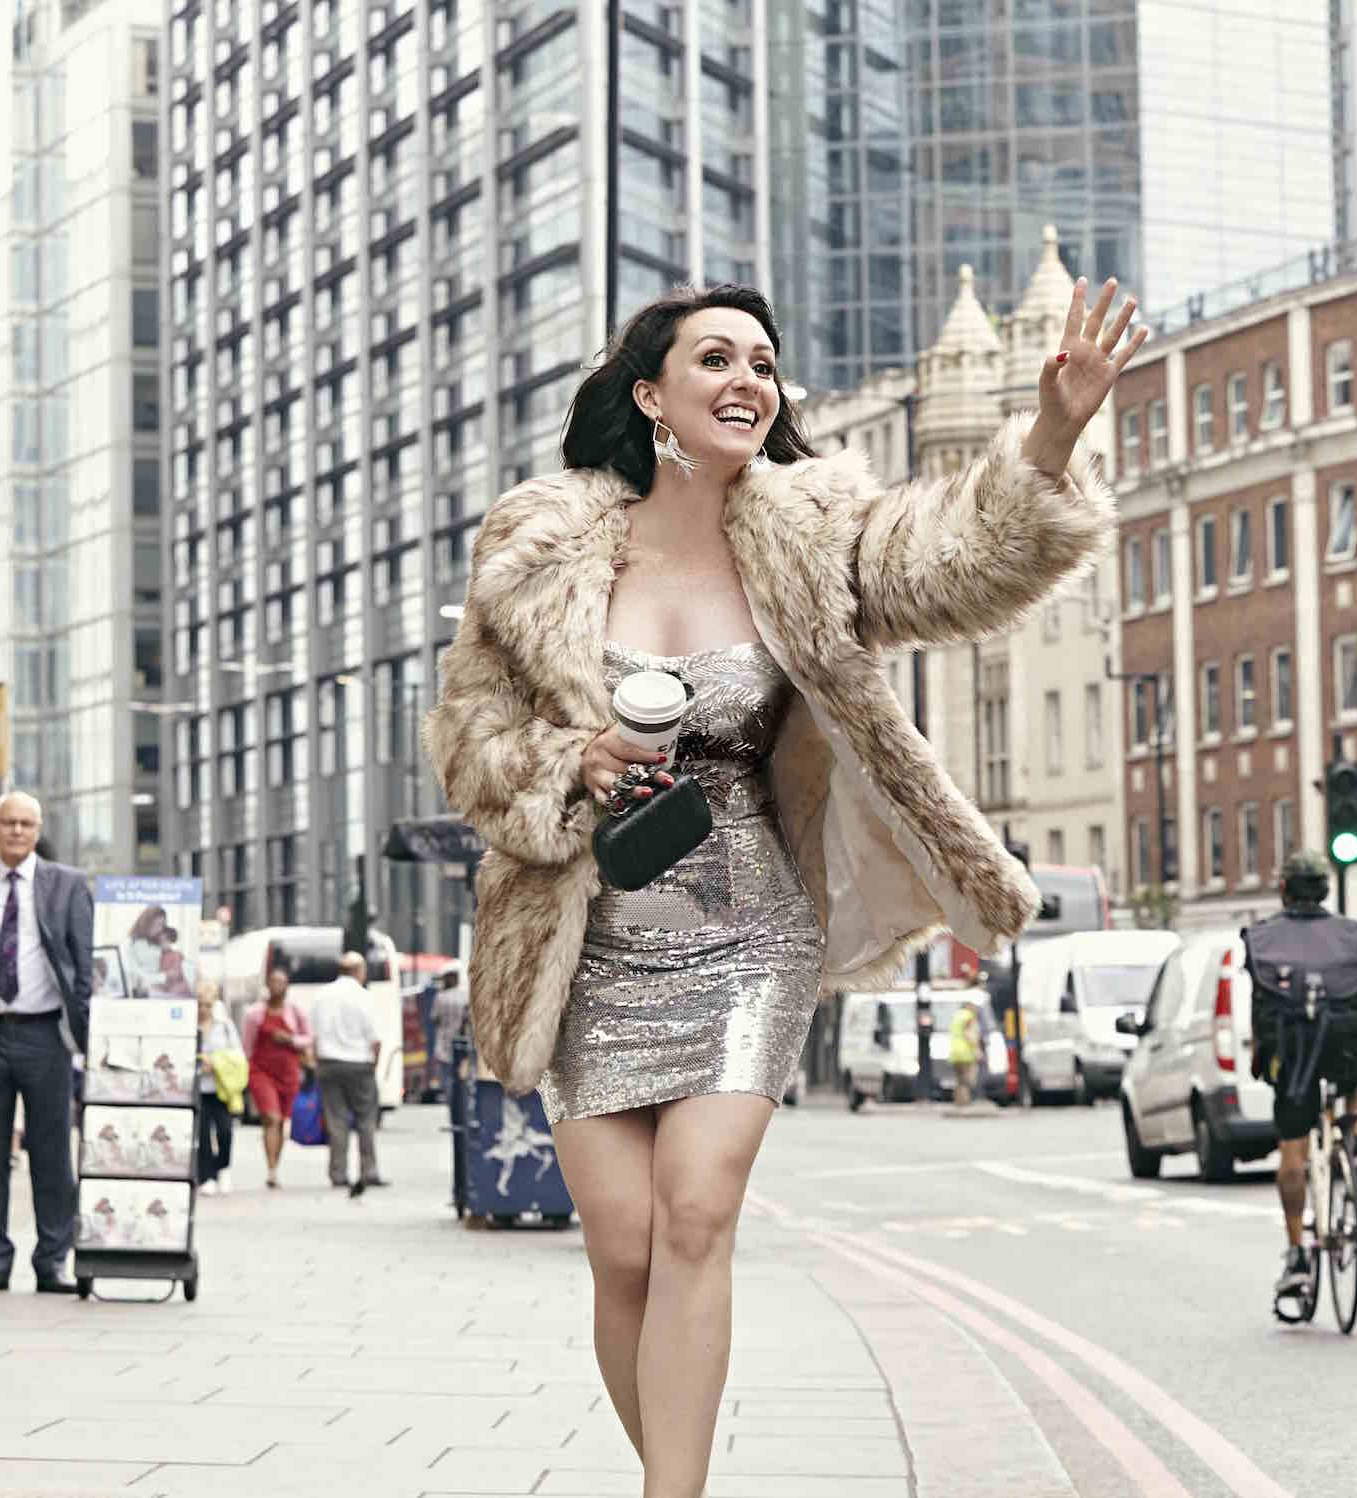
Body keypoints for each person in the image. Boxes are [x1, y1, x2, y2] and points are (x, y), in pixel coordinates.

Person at [422, 276, 1135, 1497]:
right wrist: (568, 758)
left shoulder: (811, 526)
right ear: (651, 394)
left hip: (749, 925)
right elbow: (468, 747)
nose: (747, 378)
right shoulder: (536, 551)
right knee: (625, 1251)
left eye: (762, 360)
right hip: (586, 934)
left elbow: (954, 557)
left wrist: (1054, 431)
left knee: (696, 1211)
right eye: (715, 358)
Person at [0, 791, 94, 1294]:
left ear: (38, 829)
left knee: (52, 1153)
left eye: (27, 824)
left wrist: (91, 1038)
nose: (18, 832)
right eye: (9, 823)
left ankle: (52, 1260)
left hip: (47, 1034)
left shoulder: (67, 886)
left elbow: (85, 968)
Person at [1246, 852, 1357, 1300]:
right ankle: (1356, 1140)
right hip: (1343, 1049)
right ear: (1324, 889)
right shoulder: (1354, 935)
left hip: (1293, 1057)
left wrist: (1261, 1057)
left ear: (1284, 889)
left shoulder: (1263, 939)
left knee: (1292, 1151)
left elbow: (1261, 1010)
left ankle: (1297, 1252)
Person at [314, 951, 383, 1195]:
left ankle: (338, 1173)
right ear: (358, 971)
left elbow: (315, 1036)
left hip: (328, 1063)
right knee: (366, 1119)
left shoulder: (321, 996)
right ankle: (369, 1170)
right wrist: (374, 1064)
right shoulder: (364, 997)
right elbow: (375, 1038)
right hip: (359, 1063)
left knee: (336, 1121)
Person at [242, 965, 310, 1188]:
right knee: (271, 1117)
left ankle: (275, 1166)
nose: (277, 987)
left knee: (281, 1122)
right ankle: (271, 1169)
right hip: (262, 1072)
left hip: (288, 1072)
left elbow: (308, 1038)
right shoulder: (254, 1015)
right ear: (267, 986)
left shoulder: (295, 1012)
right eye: (273, 982)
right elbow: (248, 1045)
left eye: (281, 983)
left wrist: (291, 1040)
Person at [193, 979, 243, 1193]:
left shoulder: (224, 1026)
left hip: (221, 1087)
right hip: (197, 1088)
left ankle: (223, 1167)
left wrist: (216, 1062)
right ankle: (207, 1176)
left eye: (207, 1005)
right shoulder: (189, 1026)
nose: (203, 1009)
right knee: (202, 1134)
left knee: (225, 1131)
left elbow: (237, 1055)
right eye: (200, 1004)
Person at [948, 1000, 983, 1112]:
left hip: (954, 1052)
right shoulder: (969, 1017)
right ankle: (964, 1102)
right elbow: (970, 1034)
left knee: (959, 1080)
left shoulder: (956, 1016)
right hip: (966, 1053)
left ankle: (959, 1102)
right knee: (967, 1080)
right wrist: (977, 1050)